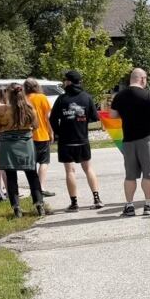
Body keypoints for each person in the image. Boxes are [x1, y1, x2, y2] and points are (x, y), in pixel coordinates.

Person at [110, 68, 150, 216]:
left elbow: (112, 114)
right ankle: (148, 206)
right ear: (142, 79)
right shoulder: (147, 95)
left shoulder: (119, 96)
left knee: (130, 175)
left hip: (128, 140)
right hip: (146, 139)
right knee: (148, 174)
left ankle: (129, 206)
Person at [50, 71, 104, 212]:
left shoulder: (62, 99)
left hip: (66, 140)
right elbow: (94, 117)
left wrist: (59, 132)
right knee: (88, 168)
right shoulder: (86, 97)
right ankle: (97, 199)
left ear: (68, 82)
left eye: (65, 80)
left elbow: (53, 119)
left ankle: (74, 203)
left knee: (70, 171)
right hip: (82, 139)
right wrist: (82, 122)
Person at [0, 83, 44, 218]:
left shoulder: (1, 110)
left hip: (8, 144)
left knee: (10, 176)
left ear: (8, 94)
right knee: (32, 174)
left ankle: (16, 208)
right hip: (25, 142)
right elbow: (36, 126)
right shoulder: (28, 108)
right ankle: (39, 204)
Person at [24, 78, 55, 197]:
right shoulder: (42, 97)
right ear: (36, 86)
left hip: (27, 136)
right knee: (44, 162)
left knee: (31, 163)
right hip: (42, 134)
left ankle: (34, 188)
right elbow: (48, 117)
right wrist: (51, 132)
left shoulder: (23, 99)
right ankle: (40, 187)